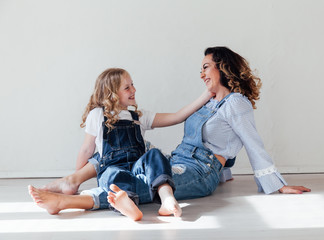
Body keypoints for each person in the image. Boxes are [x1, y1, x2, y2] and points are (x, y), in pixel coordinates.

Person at [32, 46, 310, 214]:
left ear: (223, 67)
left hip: (200, 171)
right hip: (179, 161)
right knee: (125, 160)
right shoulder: (213, 102)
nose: (201, 73)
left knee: (142, 185)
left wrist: (277, 185)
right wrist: (227, 173)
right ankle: (72, 181)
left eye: (206, 67)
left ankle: (71, 202)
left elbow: (251, 141)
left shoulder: (236, 103)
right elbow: (222, 136)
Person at [28, 68, 213, 221]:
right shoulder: (97, 115)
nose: (133, 89)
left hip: (137, 168)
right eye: (127, 87)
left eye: (132, 84)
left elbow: (177, 116)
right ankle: (129, 206)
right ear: (112, 94)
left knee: (155, 155)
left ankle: (167, 197)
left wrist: (206, 95)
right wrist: (77, 176)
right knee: (115, 175)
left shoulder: (139, 117)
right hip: (112, 168)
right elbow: (87, 149)